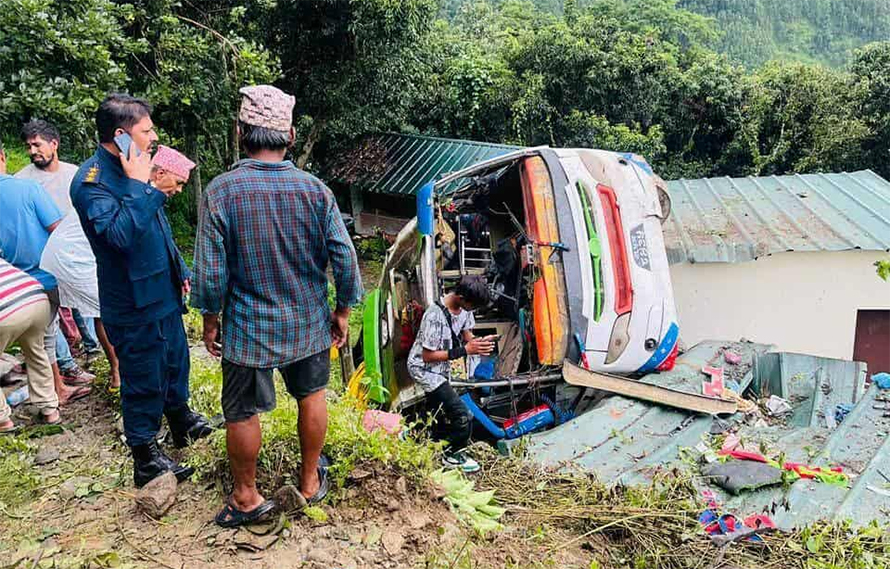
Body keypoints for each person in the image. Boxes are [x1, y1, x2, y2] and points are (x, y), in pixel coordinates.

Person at [192, 85, 363, 528]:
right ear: (288, 134)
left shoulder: (221, 191)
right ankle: (309, 482)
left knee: (242, 412)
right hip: (307, 322)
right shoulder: (316, 190)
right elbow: (345, 258)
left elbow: (211, 271)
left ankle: (247, 497)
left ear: (239, 132)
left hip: (248, 328)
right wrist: (342, 311)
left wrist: (210, 319)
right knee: (312, 396)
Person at [69, 93, 213, 488]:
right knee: (143, 376)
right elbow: (120, 236)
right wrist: (140, 186)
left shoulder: (136, 164)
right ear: (121, 134)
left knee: (174, 361)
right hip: (131, 302)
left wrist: (179, 266)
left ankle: (181, 420)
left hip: (162, 291)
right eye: (146, 130)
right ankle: (145, 455)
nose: (153, 137)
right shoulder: (91, 183)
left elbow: (156, 228)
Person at [0, 140, 91, 407]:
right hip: (46, 275)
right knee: (48, 335)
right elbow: (58, 228)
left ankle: (55, 388)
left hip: (12, 283)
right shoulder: (28, 188)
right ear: (3, 156)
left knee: (43, 339)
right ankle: (57, 390)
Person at [16, 119, 98, 384]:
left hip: (78, 253)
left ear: (54, 144)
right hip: (42, 257)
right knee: (50, 315)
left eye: (37, 144)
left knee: (84, 306)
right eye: (29, 146)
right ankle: (67, 366)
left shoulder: (75, 174)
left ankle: (92, 348)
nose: (32, 151)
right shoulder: (24, 181)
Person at [406, 275, 495, 473]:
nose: (473, 311)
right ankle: (452, 454)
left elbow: (466, 335)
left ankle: (415, 438)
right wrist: (465, 350)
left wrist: (478, 343)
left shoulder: (463, 310)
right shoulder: (434, 316)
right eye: (473, 306)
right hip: (424, 369)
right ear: (462, 298)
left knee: (437, 411)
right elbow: (427, 356)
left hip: (441, 367)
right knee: (461, 414)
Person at [0, 258, 61, 431]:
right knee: (36, 352)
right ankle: (50, 410)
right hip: (37, 298)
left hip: (6, 312)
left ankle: (3, 421)